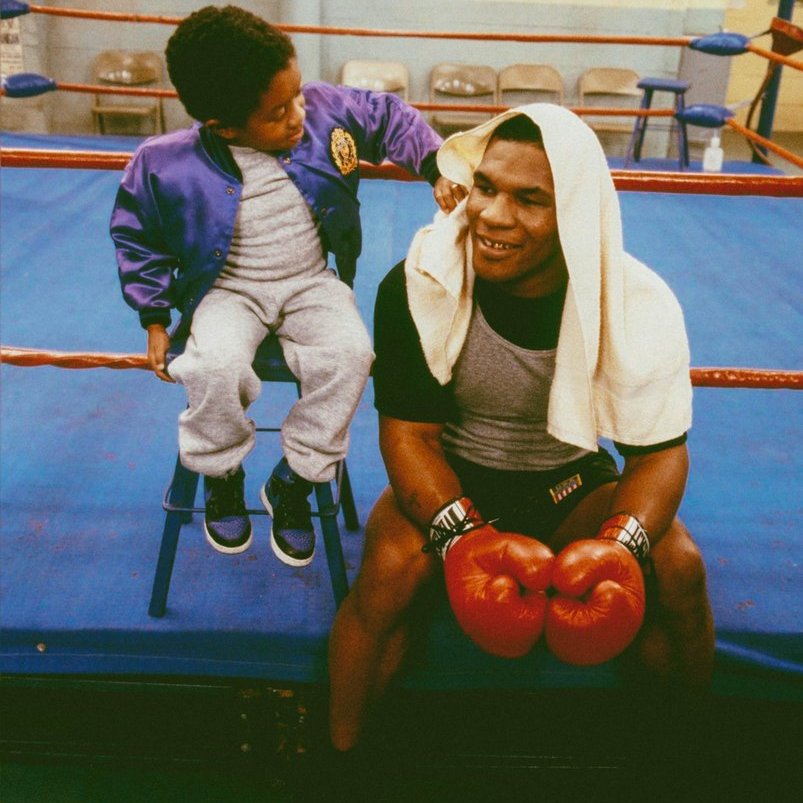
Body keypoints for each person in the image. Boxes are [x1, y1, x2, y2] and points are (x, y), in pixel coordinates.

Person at [328, 104, 715, 753]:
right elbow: (408, 435)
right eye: (485, 187)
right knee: (390, 568)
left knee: (676, 566)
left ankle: (686, 757)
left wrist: (621, 547)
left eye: (528, 199)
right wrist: (461, 535)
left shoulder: (636, 301)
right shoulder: (421, 284)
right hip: (455, 473)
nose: (492, 215)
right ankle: (336, 762)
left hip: (569, 481)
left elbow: (659, 453)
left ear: (573, 213)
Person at [110, 5, 462, 566]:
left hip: (310, 283)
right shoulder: (165, 164)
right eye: (278, 112)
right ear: (223, 126)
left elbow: (390, 117)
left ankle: (296, 478)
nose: (299, 114)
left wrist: (436, 164)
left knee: (351, 355)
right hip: (229, 291)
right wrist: (153, 316)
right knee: (212, 366)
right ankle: (221, 470)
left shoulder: (325, 113)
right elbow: (139, 237)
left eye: (298, 95)